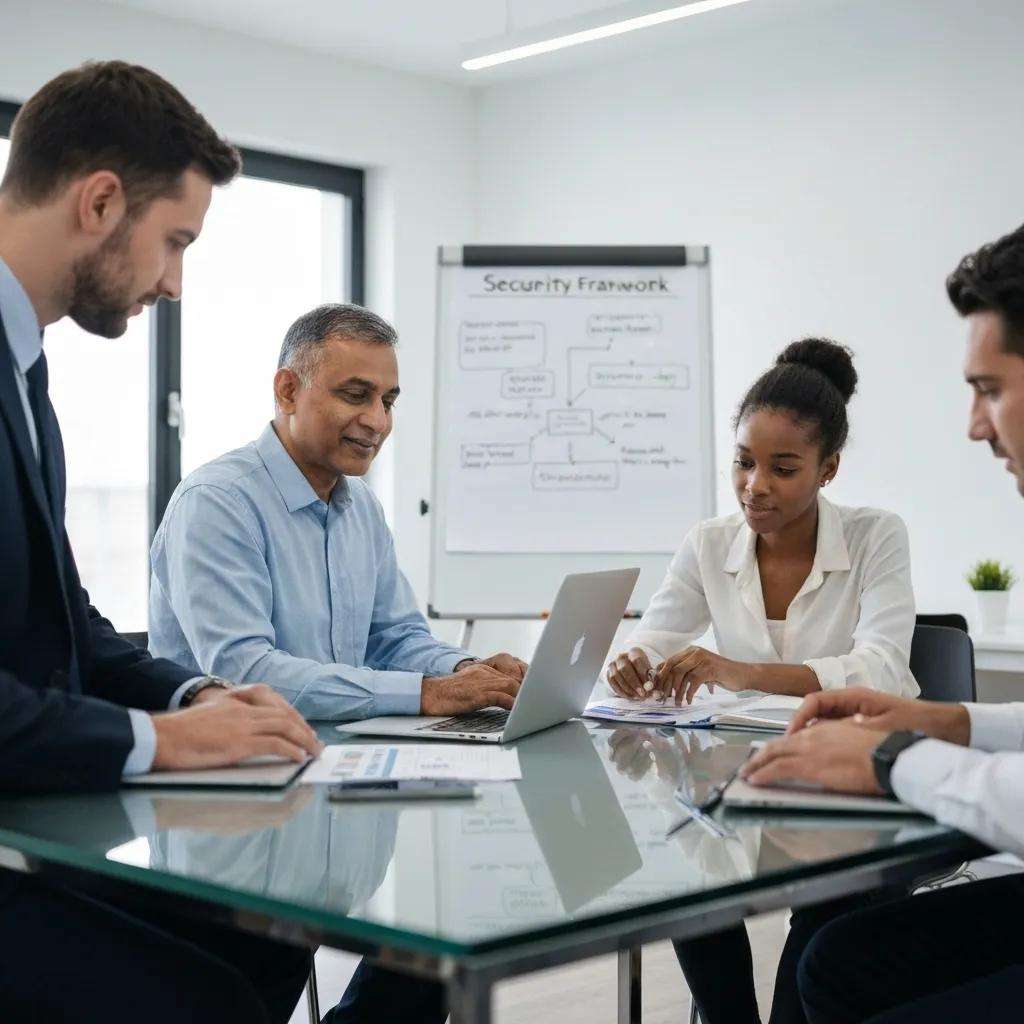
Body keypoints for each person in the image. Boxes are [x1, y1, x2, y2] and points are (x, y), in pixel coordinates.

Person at [0, 62, 322, 1024]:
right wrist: (164, 741)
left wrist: (195, 694)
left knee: (263, 930)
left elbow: (66, 619)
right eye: (174, 241)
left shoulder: (24, 373)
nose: (175, 283)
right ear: (101, 202)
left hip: (35, 818)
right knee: (208, 996)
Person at [148, 301, 528, 1021]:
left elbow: (397, 639)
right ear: (287, 391)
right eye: (356, 395)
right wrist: (428, 692)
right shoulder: (218, 503)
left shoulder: (361, 511)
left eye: (388, 400)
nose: (378, 420)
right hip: (231, 820)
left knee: (438, 950)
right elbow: (247, 673)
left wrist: (476, 670)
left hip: (337, 806)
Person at [743, 224, 1024, 1024]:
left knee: (846, 964)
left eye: (991, 388)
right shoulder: (710, 542)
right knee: (843, 960)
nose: (975, 424)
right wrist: (949, 720)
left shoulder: (875, 534)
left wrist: (899, 758)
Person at [605, 338, 919, 1024]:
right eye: (744, 463)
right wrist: (632, 664)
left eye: (783, 468)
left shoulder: (875, 537)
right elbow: (655, 636)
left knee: (816, 956)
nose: (756, 485)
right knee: (687, 883)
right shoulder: (709, 542)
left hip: (860, 786)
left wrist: (744, 671)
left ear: (828, 469)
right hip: (750, 774)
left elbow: (882, 669)